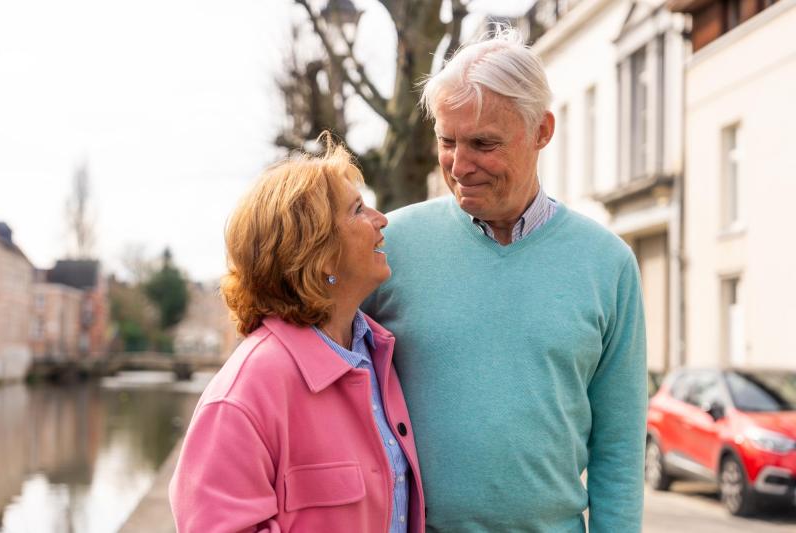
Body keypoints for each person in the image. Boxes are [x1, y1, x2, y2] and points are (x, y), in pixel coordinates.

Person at [363, 28, 647, 532]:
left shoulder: (609, 265)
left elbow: (619, 448)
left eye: (483, 144)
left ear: (541, 131)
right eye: (447, 141)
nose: (459, 165)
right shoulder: (390, 247)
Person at [169, 136, 425, 533]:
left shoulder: (379, 355)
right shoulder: (242, 397)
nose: (381, 218)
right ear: (317, 252)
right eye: (357, 209)